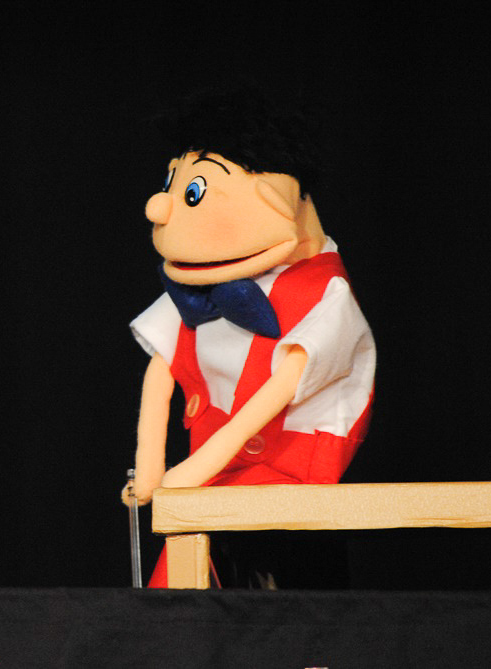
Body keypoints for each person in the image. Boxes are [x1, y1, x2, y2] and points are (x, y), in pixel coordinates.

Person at [124, 88, 375, 587]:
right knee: (184, 590)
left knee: (291, 594)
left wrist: (192, 471)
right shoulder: (204, 285)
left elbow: (281, 388)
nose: (159, 208)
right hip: (209, 480)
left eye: (195, 192)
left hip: (290, 470)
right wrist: (149, 470)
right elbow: (161, 368)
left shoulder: (324, 293)